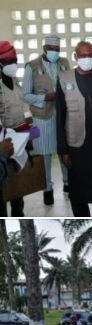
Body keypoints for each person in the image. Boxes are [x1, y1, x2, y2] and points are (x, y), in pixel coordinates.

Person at [56, 41, 92, 217]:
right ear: (75, 56)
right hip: (77, 144)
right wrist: (63, 149)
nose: (87, 59)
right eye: (83, 55)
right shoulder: (64, 79)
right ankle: (82, 218)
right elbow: (60, 117)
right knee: (78, 191)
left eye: (90, 55)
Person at [22, 34, 69, 204]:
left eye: (57, 50)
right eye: (52, 50)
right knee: (45, 155)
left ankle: (67, 184)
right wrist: (44, 98)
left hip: (62, 115)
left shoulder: (64, 63)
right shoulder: (32, 66)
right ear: (44, 49)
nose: (55, 53)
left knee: (63, 150)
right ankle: (47, 189)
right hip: (42, 117)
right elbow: (26, 95)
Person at [0, 41, 24, 215]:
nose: (12, 65)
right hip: (3, 147)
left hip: (19, 143)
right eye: (8, 62)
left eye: (14, 60)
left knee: (18, 191)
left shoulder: (15, 81)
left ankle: (18, 212)